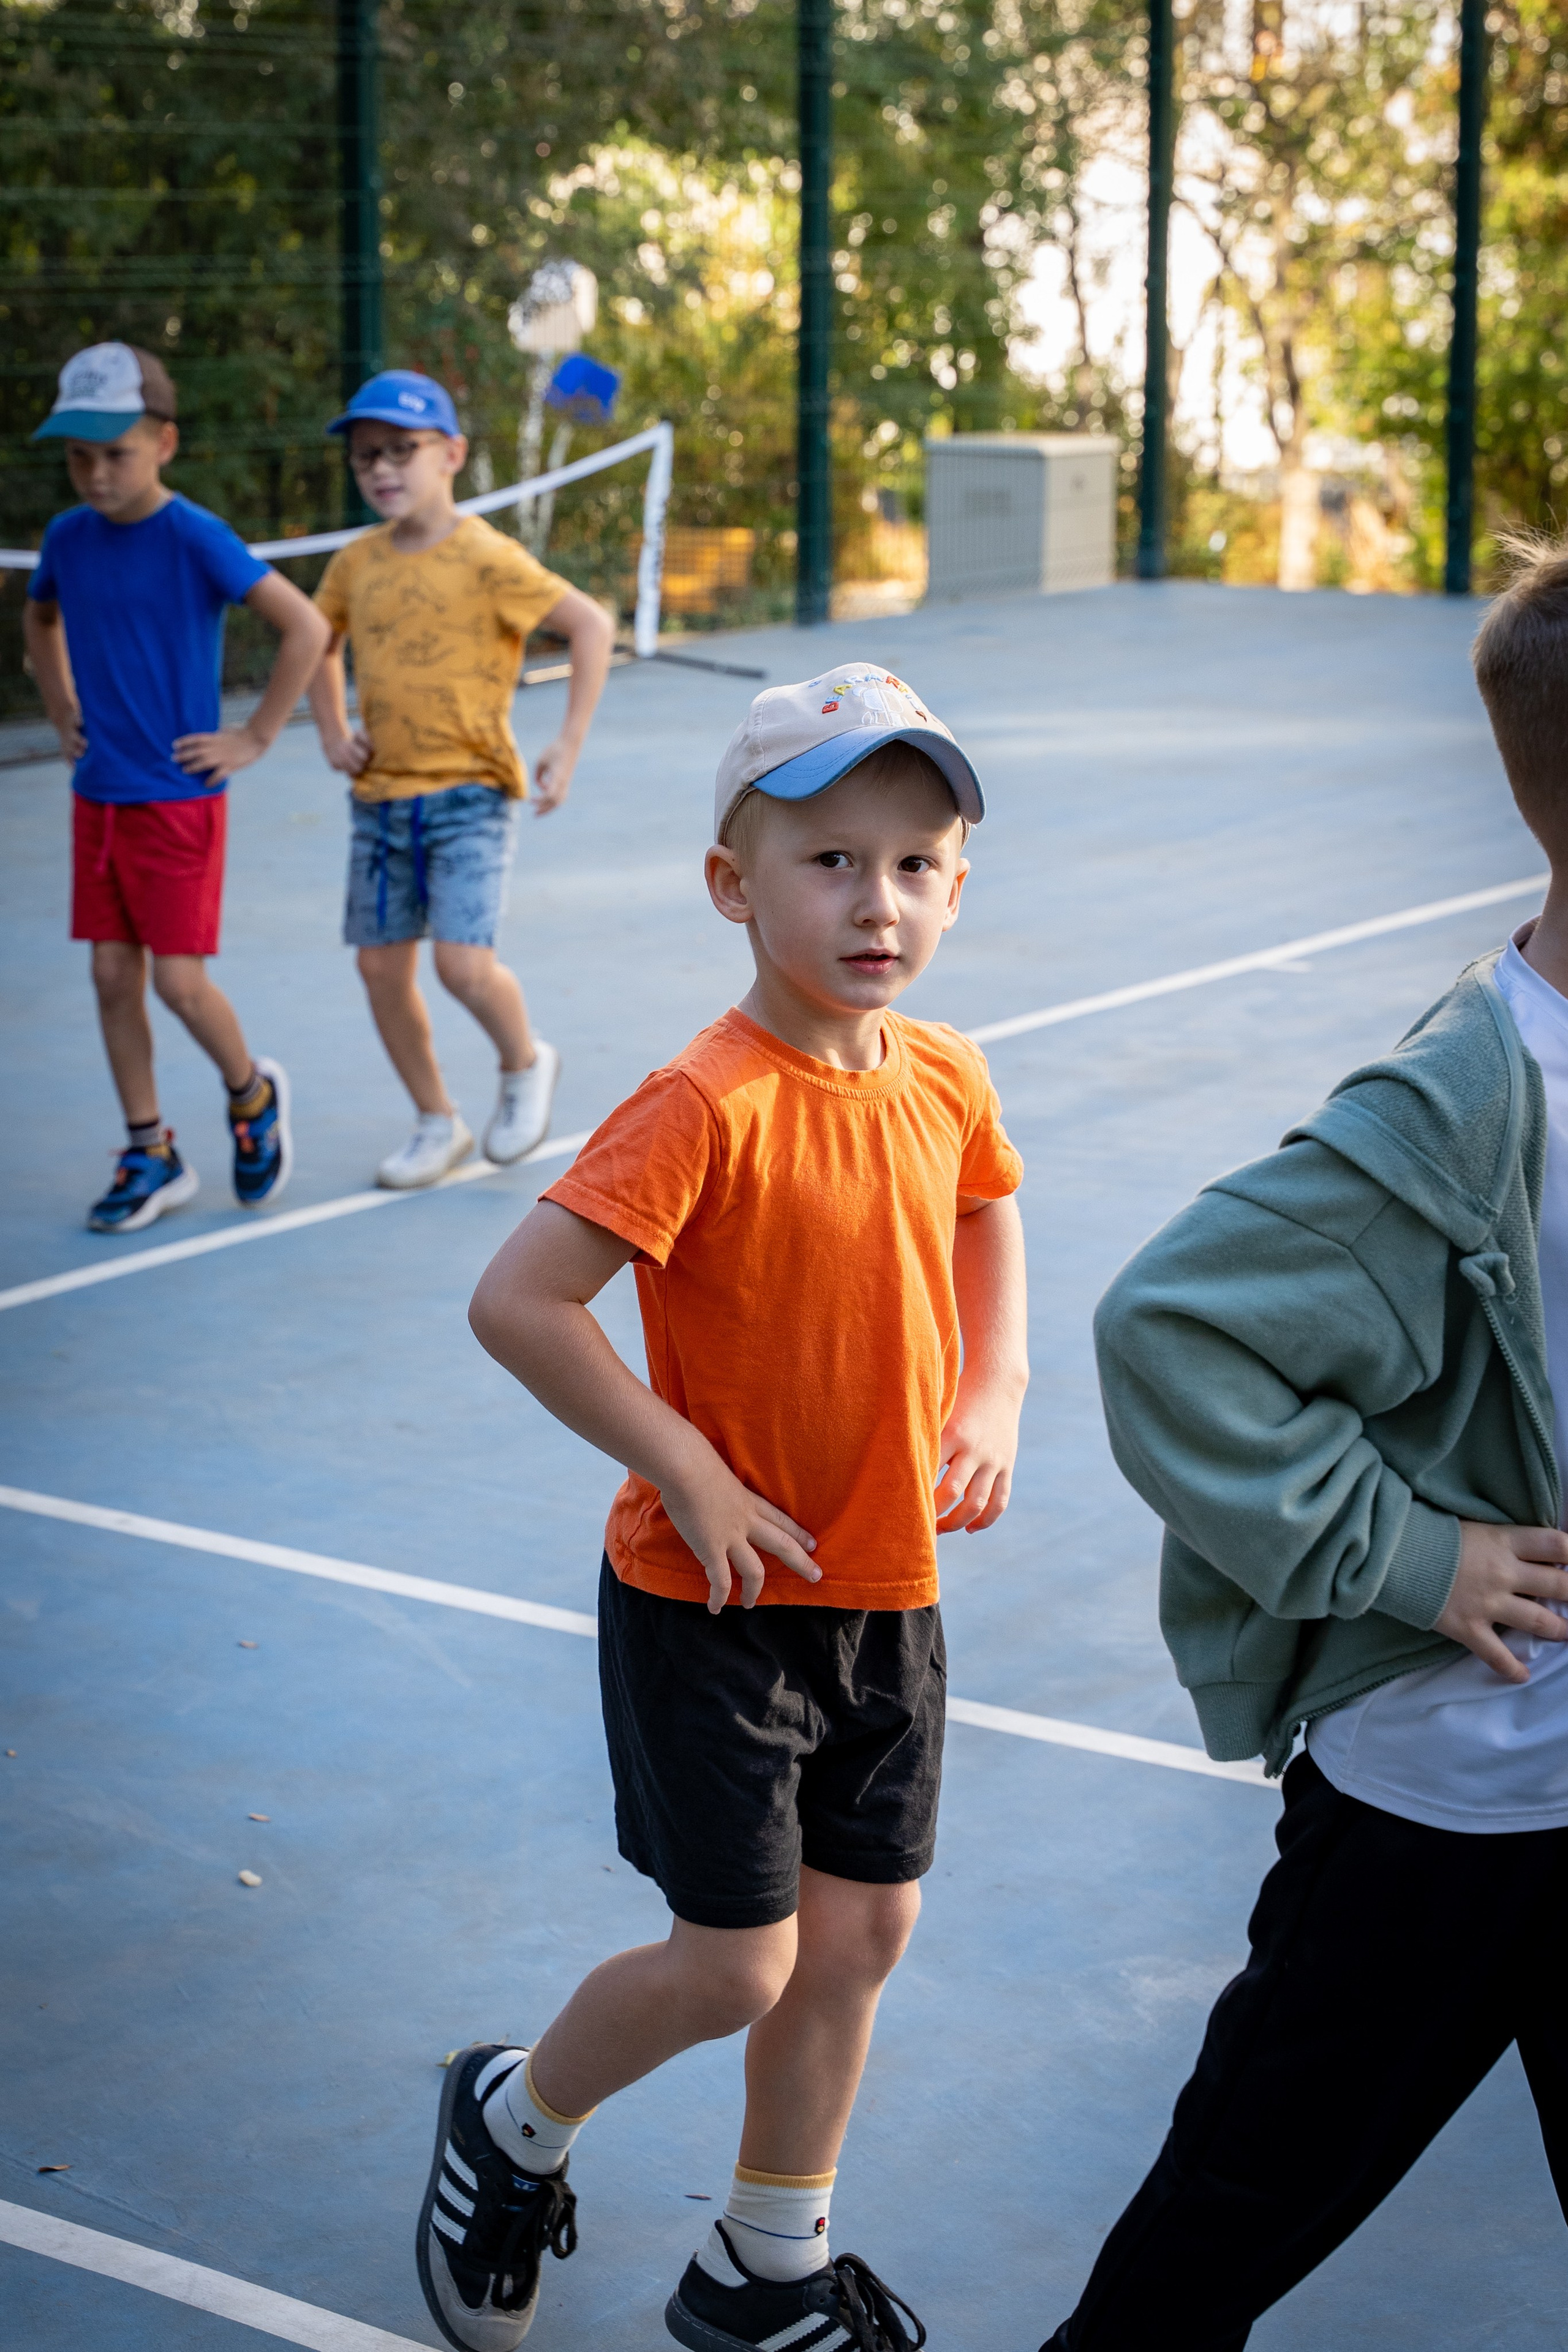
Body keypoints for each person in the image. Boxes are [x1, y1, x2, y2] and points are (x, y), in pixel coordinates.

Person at [425, 663, 1028, 2352]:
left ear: (957, 885)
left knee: (864, 1934)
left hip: (885, 1585)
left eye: (915, 863)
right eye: (829, 860)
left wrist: (996, 1390)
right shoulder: (710, 1099)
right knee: (737, 1964)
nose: (877, 900)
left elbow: (990, 1210)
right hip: (711, 1609)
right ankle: (513, 2122)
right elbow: (520, 1301)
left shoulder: (945, 1074)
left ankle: (766, 2267)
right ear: (732, 886)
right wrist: (681, 1461)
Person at [1042, 535, 1568, 2352]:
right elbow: (1167, 1331)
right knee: (1218, 2236)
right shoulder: (1464, 1102)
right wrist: (1422, 1558)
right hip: (1452, 1798)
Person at [23, 342, 329, 1232]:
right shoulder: (66, 538)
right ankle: (149, 1149)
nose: (94, 473)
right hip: (98, 793)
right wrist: (59, 701)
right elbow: (39, 617)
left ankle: (251, 1095)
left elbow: (304, 627)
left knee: (180, 985)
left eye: (114, 453)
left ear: (164, 441)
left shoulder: (195, 534)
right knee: (112, 973)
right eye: (79, 455)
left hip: (178, 800)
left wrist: (255, 736)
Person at [306, 369, 614, 1189]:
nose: (381, 469)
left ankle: (523, 1062)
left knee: (463, 967)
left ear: (451, 454)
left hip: (471, 795)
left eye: (401, 450)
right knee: (380, 970)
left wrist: (567, 743)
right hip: (379, 801)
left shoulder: (485, 555)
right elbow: (314, 637)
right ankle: (436, 1121)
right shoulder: (354, 562)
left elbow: (590, 624)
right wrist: (333, 728)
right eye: (366, 456)